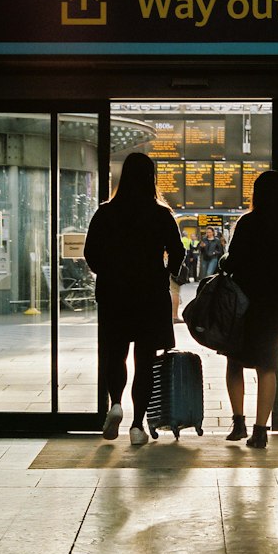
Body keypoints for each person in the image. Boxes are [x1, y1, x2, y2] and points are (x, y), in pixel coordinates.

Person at [83, 152, 183, 446]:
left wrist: (108, 273)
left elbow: (90, 253)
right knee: (145, 360)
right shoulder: (161, 214)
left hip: (114, 295)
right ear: (151, 178)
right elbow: (178, 251)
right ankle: (137, 425)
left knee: (116, 354)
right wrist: (165, 272)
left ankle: (115, 403)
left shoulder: (105, 213)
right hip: (150, 295)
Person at [221, 170, 278, 449]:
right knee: (267, 366)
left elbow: (232, 263)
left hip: (243, 305)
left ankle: (238, 422)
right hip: (274, 306)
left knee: (234, 362)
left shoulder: (247, 223)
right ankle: (260, 430)